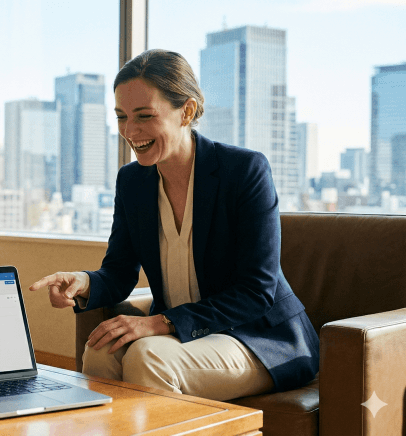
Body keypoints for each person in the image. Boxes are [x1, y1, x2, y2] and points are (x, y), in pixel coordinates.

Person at [29, 49, 318, 401]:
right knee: (101, 351)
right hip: (187, 335)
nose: (130, 131)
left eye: (144, 116)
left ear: (188, 111)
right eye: (121, 117)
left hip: (259, 337)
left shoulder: (243, 171)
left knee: (148, 357)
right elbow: (119, 272)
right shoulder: (132, 182)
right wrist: (84, 283)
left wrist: (158, 323)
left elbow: (256, 291)